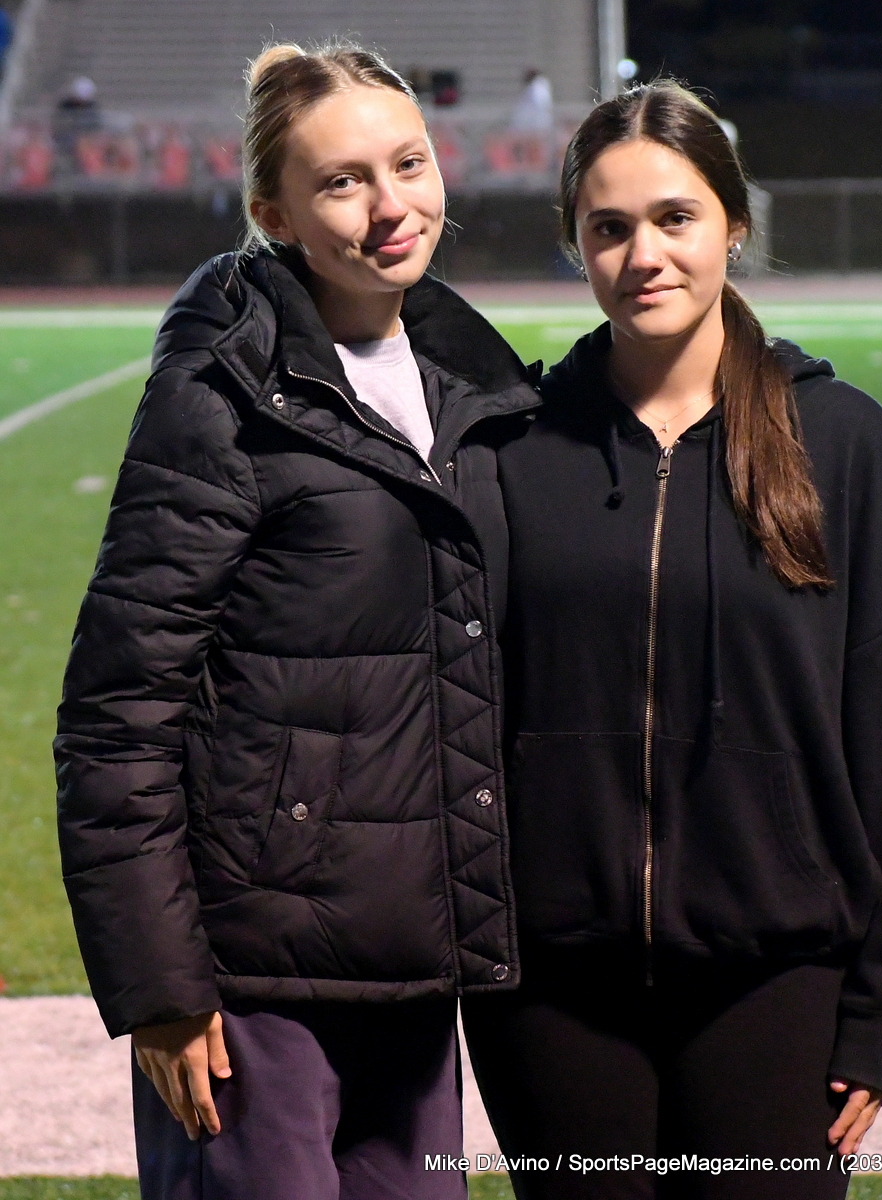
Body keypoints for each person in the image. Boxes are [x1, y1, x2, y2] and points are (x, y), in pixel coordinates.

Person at [54, 41, 538, 1200]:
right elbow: (120, 707)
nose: (390, 205)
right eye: (341, 182)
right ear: (272, 213)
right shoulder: (221, 391)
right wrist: (161, 987)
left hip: (415, 961)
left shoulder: (476, 388)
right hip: (251, 985)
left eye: (407, 163)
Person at [462, 80, 882, 1200]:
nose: (643, 254)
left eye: (674, 218)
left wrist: (877, 1010)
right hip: (551, 991)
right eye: (608, 227)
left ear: (733, 224)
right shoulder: (512, 449)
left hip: (778, 981)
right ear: (575, 246)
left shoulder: (843, 443)